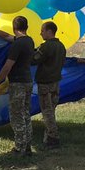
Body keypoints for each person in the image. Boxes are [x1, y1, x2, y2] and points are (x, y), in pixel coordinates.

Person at [0, 16, 36, 156]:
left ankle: (19, 148)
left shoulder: (17, 45)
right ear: (26, 27)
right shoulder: (29, 41)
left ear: (14, 27)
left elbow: (8, 66)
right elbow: (7, 36)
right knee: (25, 114)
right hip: (28, 81)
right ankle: (27, 146)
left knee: (16, 115)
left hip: (18, 83)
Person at [32, 21, 67, 149]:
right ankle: (48, 137)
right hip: (56, 83)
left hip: (45, 84)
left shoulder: (46, 47)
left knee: (47, 112)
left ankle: (53, 138)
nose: (40, 33)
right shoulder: (61, 46)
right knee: (51, 110)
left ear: (49, 31)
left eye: (42, 30)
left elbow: (34, 60)